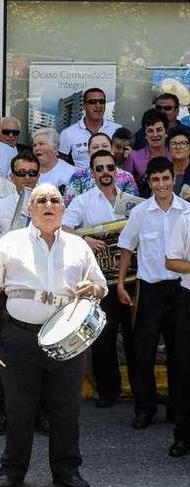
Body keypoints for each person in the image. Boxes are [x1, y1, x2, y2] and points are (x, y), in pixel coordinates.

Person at [0, 183, 107, 487]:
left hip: (68, 342)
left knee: (66, 408)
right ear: (30, 210)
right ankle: (11, 471)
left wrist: (95, 290)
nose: (49, 204)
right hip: (19, 338)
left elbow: (101, 286)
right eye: (41, 200)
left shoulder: (79, 246)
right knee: (18, 408)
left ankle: (67, 471)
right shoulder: (10, 242)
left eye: (55, 200)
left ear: (63, 208)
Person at [62, 150, 136, 407]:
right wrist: (84, 238)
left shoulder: (130, 202)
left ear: (117, 171)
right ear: (92, 173)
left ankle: (140, 390)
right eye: (100, 168)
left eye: (109, 168)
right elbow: (63, 227)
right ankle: (108, 390)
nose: (105, 173)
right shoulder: (82, 202)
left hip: (131, 279)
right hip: (101, 281)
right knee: (104, 336)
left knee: (135, 336)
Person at [116, 156, 186, 430]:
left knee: (180, 353)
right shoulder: (140, 213)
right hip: (150, 289)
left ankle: (178, 409)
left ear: (173, 179)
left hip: (180, 290)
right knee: (142, 351)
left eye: (166, 178)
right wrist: (121, 283)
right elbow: (126, 247)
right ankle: (144, 407)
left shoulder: (187, 212)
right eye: (155, 179)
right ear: (149, 181)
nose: (161, 184)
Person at [0, 152, 42, 437]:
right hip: (8, 291)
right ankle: (3, 413)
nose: (27, 178)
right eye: (22, 173)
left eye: (32, 173)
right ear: (12, 177)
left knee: (42, 355)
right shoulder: (0, 209)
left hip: (43, 291)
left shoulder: (50, 204)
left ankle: (41, 414)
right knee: (4, 355)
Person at [165, 205, 190, 457]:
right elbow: (171, 260)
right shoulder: (186, 219)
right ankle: (183, 436)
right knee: (185, 370)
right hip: (189, 299)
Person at [63, 132, 138, 206]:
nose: (101, 149)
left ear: (112, 150)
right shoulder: (78, 176)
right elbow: (69, 206)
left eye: (105, 146)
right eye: (95, 147)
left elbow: (131, 209)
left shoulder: (127, 177)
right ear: (88, 152)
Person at [59, 87, 121, 169]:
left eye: (101, 102)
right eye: (92, 102)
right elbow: (62, 164)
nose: (98, 106)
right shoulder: (68, 133)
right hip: (80, 180)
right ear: (84, 106)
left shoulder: (117, 130)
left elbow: (124, 160)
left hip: (110, 179)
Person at [124, 110, 170, 187]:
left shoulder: (174, 155)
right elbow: (124, 186)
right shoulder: (134, 158)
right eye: (150, 131)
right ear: (145, 134)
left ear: (166, 132)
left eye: (159, 130)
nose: (155, 135)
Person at [167, 127, 190, 194]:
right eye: (173, 143)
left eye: (183, 143)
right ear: (168, 149)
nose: (178, 147)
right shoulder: (162, 170)